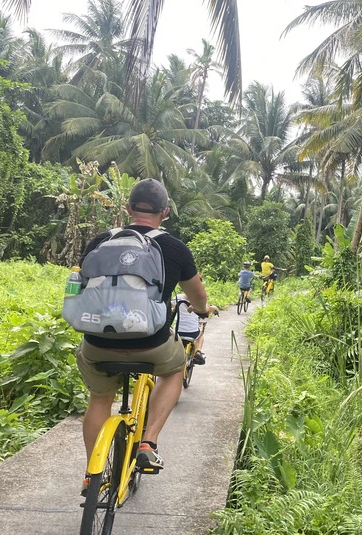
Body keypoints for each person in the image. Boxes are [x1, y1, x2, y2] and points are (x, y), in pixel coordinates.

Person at [75, 179, 211, 492]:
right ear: (165, 212)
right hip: (152, 343)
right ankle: (148, 443)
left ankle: (91, 475)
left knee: (99, 399)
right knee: (175, 370)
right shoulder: (174, 248)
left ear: (128, 208)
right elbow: (198, 296)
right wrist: (202, 310)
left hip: (98, 342)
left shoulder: (100, 241)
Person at [173, 292, 218, 365]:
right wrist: (215, 309)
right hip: (192, 333)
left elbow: (171, 305)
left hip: (177, 331)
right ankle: (198, 352)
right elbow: (209, 309)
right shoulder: (199, 301)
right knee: (201, 334)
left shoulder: (178, 297)